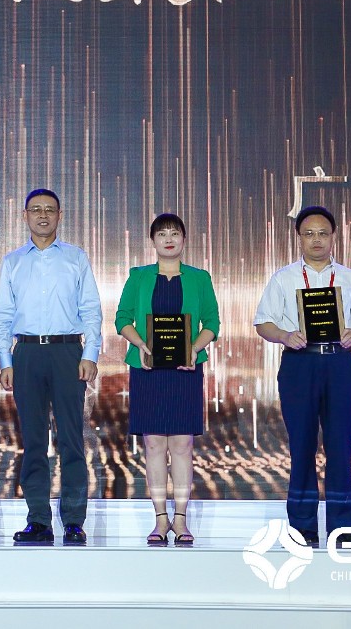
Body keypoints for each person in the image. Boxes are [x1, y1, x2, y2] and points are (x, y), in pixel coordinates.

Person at [253, 205, 351, 549]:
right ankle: (302, 527)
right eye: (309, 234)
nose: (316, 240)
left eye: (323, 233)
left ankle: (343, 528)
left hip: (339, 364)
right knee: (302, 446)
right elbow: (263, 323)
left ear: (334, 237)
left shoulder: (349, 278)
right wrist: (284, 335)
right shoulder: (284, 278)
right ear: (299, 238)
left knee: (340, 447)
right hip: (299, 364)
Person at [0, 188, 102, 544]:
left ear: (60, 215)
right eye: (36, 210)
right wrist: (5, 359)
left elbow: (91, 309)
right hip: (26, 353)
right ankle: (38, 520)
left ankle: (73, 521)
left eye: (50, 210)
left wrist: (90, 354)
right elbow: (4, 314)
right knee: (33, 440)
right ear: (25, 216)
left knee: (71, 439)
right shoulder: (13, 261)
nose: (43, 215)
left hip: (67, 352)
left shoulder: (75, 258)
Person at [114, 213, 219, 546]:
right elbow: (122, 318)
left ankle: (181, 519)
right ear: (153, 241)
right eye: (162, 234)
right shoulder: (139, 276)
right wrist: (141, 345)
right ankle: (160, 519)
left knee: (183, 445)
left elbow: (212, 323)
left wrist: (193, 349)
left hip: (185, 371)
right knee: (154, 445)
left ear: (184, 239)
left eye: (175, 233)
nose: (169, 239)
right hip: (148, 369)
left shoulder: (200, 278)